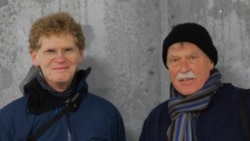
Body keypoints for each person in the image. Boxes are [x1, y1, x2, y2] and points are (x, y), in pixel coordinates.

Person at [0, 12, 126, 141]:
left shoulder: (107, 114)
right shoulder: (8, 119)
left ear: (80, 54)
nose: (60, 59)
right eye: (50, 51)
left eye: (68, 50)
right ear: (35, 57)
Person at [139, 23, 250, 141]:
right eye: (175, 60)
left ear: (211, 62)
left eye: (192, 58)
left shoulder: (243, 105)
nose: (184, 68)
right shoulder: (155, 119)